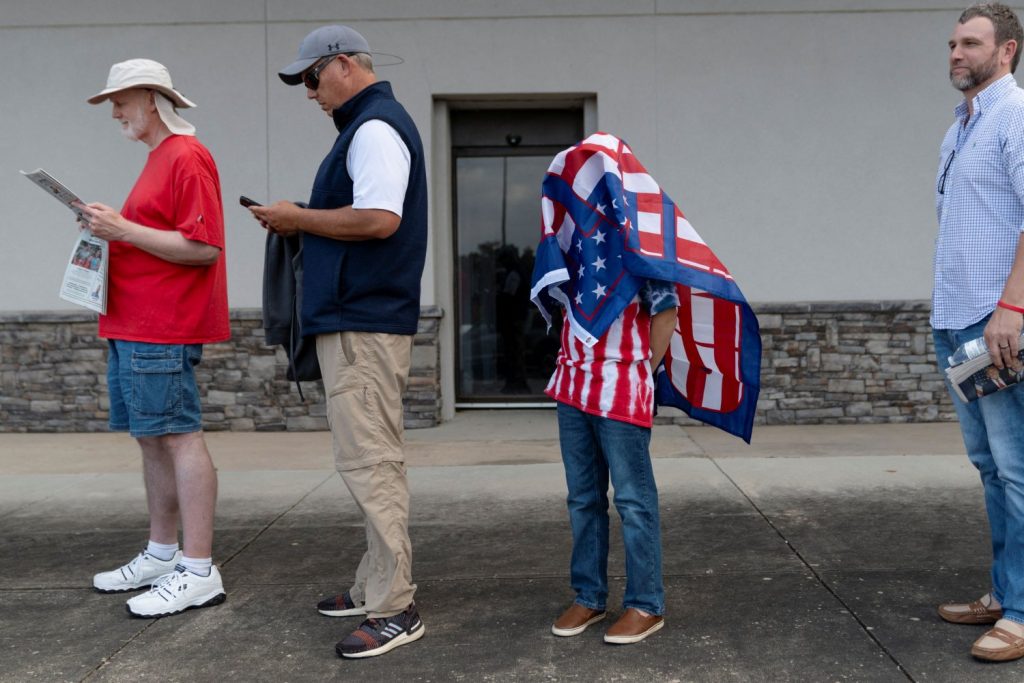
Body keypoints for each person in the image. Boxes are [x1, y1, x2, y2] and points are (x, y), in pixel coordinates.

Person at [250, 24, 427, 659]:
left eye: (310, 78)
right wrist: (299, 217)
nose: (306, 92)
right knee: (368, 459)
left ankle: (394, 607)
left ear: (344, 65)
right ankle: (375, 583)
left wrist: (296, 217)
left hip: (362, 322)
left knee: (370, 462)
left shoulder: (375, 127)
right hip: (359, 320)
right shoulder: (373, 124)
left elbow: (381, 219)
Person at [80, 59, 230, 618]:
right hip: (133, 321)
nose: (115, 111)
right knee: (153, 437)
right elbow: (159, 237)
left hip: (161, 324)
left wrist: (122, 228)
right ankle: (164, 554)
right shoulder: (159, 159)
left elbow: (204, 248)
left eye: (120, 100)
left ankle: (198, 570)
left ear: (150, 98)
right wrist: (111, 227)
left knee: (177, 435)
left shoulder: (187, 157)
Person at [932, 3, 1024, 662]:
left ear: (1008, 51)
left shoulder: (1015, 118)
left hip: (997, 324)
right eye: (952, 43)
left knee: (1018, 471)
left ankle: (1021, 613)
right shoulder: (960, 127)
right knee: (990, 468)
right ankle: (1005, 590)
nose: (956, 53)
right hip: (956, 320)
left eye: (971, 42)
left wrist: (1013, 308)